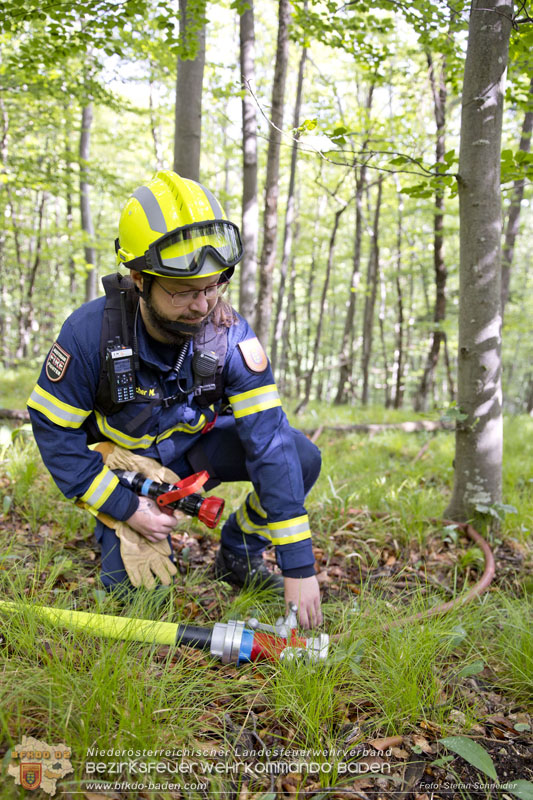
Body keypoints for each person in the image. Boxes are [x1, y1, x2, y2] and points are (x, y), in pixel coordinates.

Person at [27, 170, 323, 628]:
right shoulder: (90, 335)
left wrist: (298, 565)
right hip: (128, 474)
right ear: (139, 279)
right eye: (183, 291)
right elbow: (54, 434)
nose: (203, 306)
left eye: (212, 286)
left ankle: (240, 553)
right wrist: (126, 509)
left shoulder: (230, 336)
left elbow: (269, 442)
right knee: (137, 599)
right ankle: (117, 531)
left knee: (299, 456)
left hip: (194, 455)